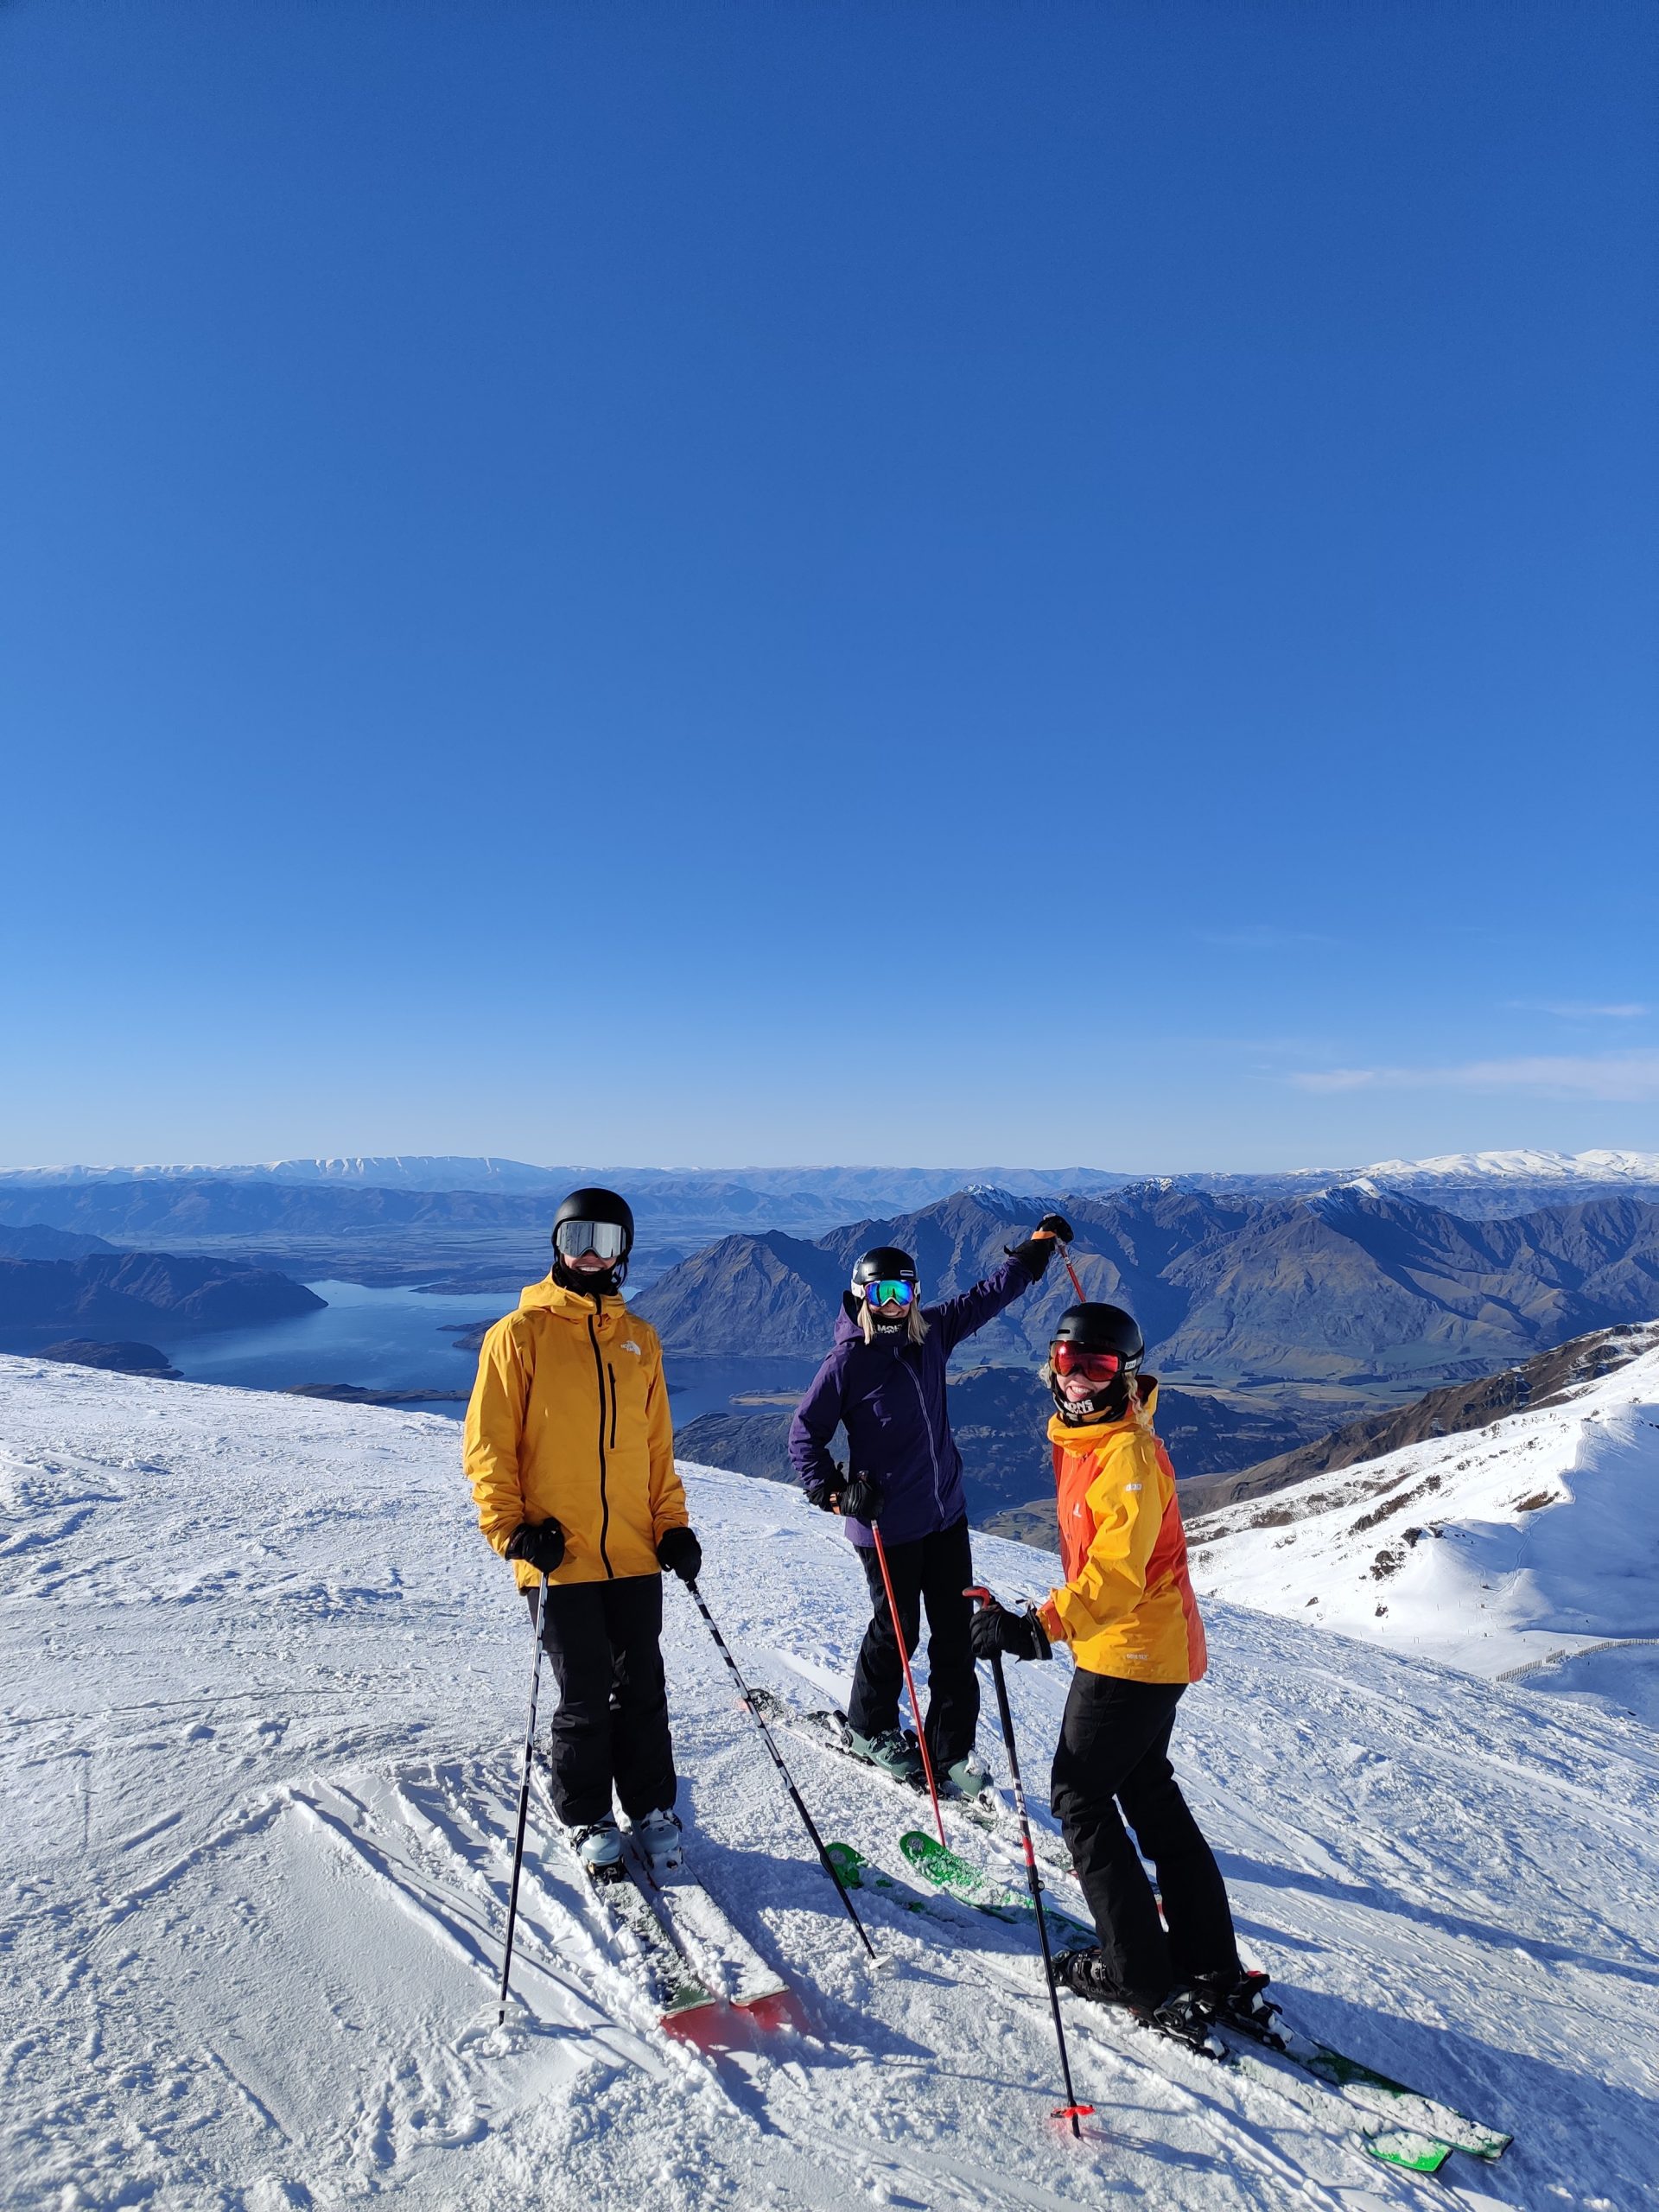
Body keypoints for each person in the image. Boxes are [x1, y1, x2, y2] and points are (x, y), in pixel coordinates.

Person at [969, 1300, 1272, 2050]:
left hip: (1132, 1652)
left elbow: (1116, 1574)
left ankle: (1136, 1972)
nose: (1076, 1378)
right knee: (1146, 1793)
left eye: (1096, 1366)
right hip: (1143, 1647)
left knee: (1078, 1796)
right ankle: (1208, 1962)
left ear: (1125, 1375)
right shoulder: (1093, 1437)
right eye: (1066, 1361)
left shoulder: (1125, 1456)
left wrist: (1036, 1626)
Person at [787, 1214, 1074, 1796]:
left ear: (916, 1294)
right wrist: (838, 1494)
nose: (894, 1304)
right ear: (862, 1298)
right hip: (886, 1525)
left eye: (903, 1292)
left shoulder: (931, 1334)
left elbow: (987, 1296)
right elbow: (803, 1437)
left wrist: (1036, 1252)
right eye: (881, 1294)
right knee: (898, 1632)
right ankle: (869, 1728)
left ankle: (949, 1750)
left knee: (954, 1636)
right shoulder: (847, 1362)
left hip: (946, 1517)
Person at [464, 1185, 702, 1876]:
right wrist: (512, 1532)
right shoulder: (518, 1335)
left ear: (624, 1252)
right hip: (557, 1555)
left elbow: (657, 1450)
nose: (591, 1255)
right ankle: (587, 1813)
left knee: (643, 1688)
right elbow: (488, 1446)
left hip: (634, 1550)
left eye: (606, 1241)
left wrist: (673, 1527)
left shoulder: (640, 1341)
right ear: (557, 1246)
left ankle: (651, 1806)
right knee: (584, 1693)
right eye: (578, 1240)